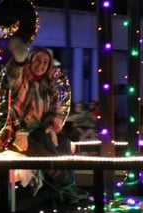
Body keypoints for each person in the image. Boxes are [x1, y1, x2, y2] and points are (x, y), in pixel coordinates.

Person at [6, 37, 88, 203]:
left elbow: (55, 109)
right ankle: (66, 185)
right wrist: (18, 59)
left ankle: (69, 186)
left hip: (40, 129)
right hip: (20, 131)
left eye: (45, 62)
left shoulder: (48, 84)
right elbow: (13, 77)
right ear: (30, 60)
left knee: (63, 141)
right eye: (38, 60)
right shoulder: (22, 79)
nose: (41, 65)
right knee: (44, 141)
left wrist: (51, 127)